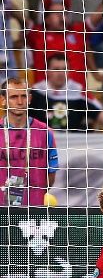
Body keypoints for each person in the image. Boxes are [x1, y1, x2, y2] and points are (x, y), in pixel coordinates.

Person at [0, 78, 58, 206]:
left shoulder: (45, 131)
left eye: (23, 96)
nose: (20, 102)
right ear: (3, 100)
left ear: (30, 98)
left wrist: (34, 196)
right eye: (14, 97)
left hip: (34, 210)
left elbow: (51, 175)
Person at [29, 54, 103, 133]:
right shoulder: (35, 91)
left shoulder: (78, 90)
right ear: (47, 71)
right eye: (56, 69)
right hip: (43, 142)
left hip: (74, 143)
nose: (61, 74)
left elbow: (98, 113)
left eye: (64, 69)